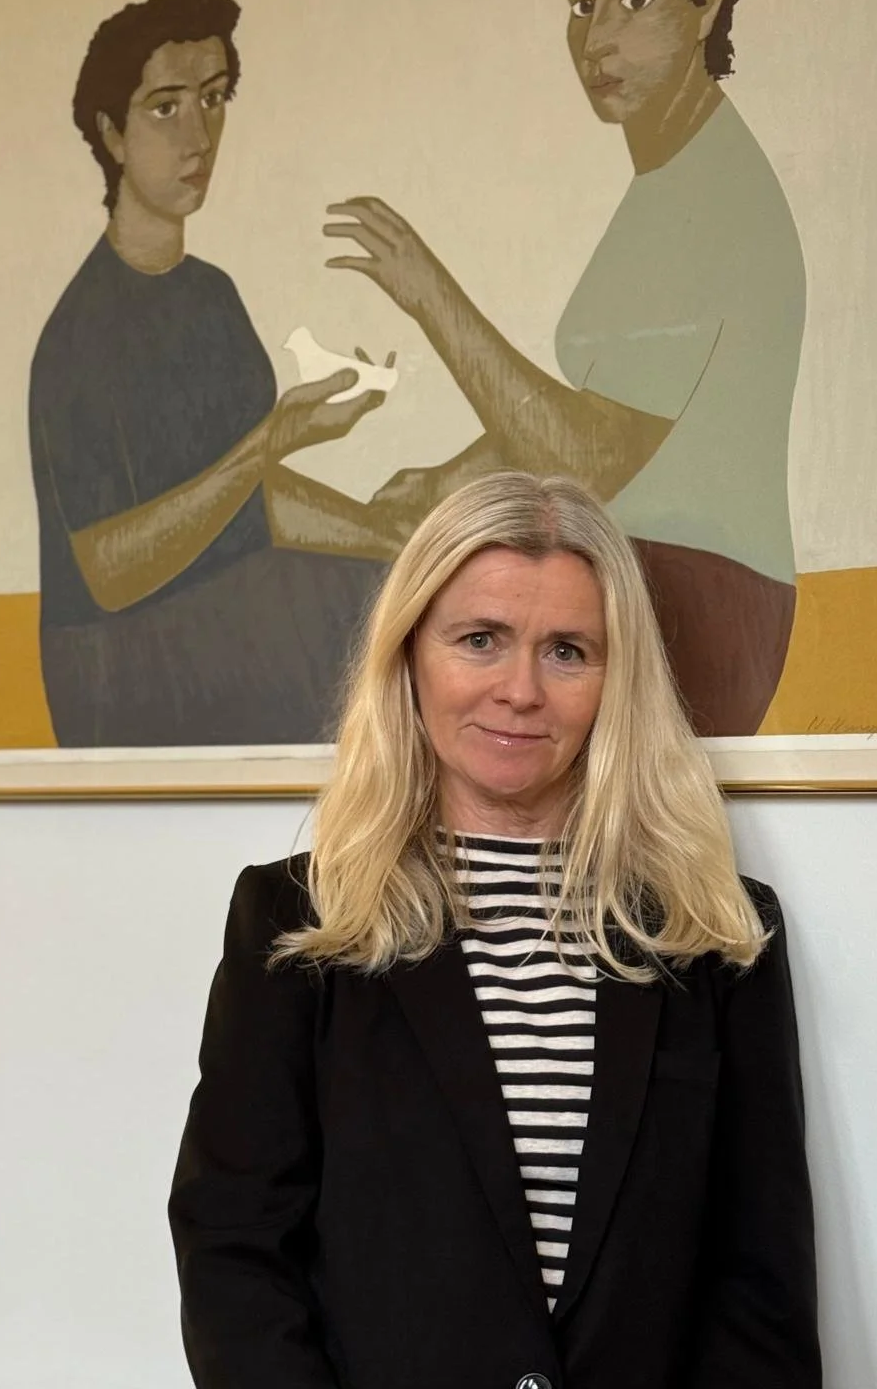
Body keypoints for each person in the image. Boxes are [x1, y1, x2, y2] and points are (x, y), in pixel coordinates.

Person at [169, 470, 820, 1388]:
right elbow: (234, 1252)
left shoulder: (720, 932)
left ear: (615, 677)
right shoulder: (293, 925)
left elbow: (761, 1284)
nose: (521, 690)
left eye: (567, 651)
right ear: (409, 656)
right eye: (480, 640)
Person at [327, 0, 806, 737]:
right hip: (634, 583)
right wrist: (444, 487)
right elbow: (594, 419)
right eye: (582, 5)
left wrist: (430, 294)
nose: (596, 42)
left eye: (634, 0)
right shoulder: (670, 186)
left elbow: (588, 459)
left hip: (692, 597)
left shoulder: (710, 200)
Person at [29, 0, 401, 748]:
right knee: (366, 622)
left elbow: (248, 502)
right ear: (112, 134)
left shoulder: (213, 298)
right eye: (166, 106)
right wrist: (272, 440)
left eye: (214, 97)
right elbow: (110, 574)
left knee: (399, 590)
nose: (199, 135)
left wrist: (391, 536)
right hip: (122, 663)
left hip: (226, 611)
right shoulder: (79, 336)